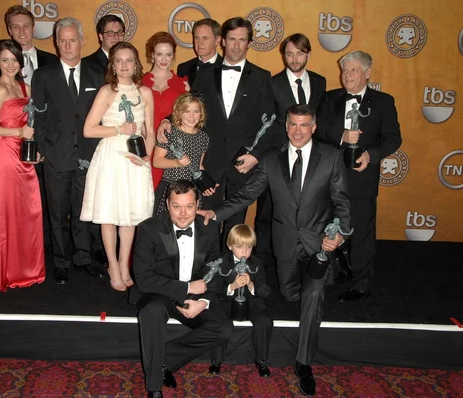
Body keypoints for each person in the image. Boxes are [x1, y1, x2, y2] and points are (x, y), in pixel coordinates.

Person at [198, 105, 351, 396]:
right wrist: (215, 214)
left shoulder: (331, 157)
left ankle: (304, 363)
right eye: (293, 124)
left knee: (313, 294)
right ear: (286, 125)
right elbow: (246, 195)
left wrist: (340, 235)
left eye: (304, 125)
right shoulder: (271, 159)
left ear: (314, 127)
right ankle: (310, 288)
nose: (297, 131)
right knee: (291, 292)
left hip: (319, 242)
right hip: (283, 244)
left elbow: (342, 202)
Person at [160, 17, 279, 245]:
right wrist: (167, 121)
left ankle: (232, 270)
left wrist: (255, 156)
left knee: (236, 221)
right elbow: (188, 106)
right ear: (223, 41)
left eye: (241, 40)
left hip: (242, 161)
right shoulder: (205, 73)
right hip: (209, 160)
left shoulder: (262, 76)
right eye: (231, 39)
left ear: (249, 43)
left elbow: (270, 120)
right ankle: (205, 268)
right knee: (205, 218)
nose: (236, 45)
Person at [132, 180, 234, 398]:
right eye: (176, 206)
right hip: (158, 292)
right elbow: (144, 279)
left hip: (195, 294)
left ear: (198, 204)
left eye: (189, 206)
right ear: (167, 204)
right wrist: (186, 287)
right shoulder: (148, 229)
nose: (182, 213)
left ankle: (160, 359)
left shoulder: (210, 227)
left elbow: (214, 268)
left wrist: (203, 301)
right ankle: (154, 386)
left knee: (224, 329)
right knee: (151, 311)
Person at [315, 50, 402, 302]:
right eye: (345, 70)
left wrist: (371, 155)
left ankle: (362, 282)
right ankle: (334, 273)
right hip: (330, 178)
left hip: (363, 179)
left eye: (354, 70)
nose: (347, 75)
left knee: (361, 231)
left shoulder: (384, 101)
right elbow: (318, 128)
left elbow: (393, 139)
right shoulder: (330, 98)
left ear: (368, 73)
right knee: (329, 226)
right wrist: (341, 135)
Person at [31, 18, 106, 285]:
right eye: (62, 40)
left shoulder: (97, 74)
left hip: (88, 156)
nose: (67, 45)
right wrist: (41, 148)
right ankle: (61, 262)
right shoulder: (43, 75)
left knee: (84, 211)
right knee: (58, 213)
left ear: (82, 41)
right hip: (56, 156)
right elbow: (37, 116)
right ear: (56, 42)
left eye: (72, 39)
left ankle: (83, 258)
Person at [81, 42, 155, 291]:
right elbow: (89, 129)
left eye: (129, 60)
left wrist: (146, 156)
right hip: (112, 156)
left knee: (130, 217)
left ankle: (125, 264)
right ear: (112, 64)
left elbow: (151, 131)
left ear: (136, 64)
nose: (124, 65)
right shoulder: (106, 92)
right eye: (119, 61)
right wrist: (118, 129)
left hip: (136, 158)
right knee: (110, 215)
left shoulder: (145, 93)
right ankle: (112, 265)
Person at [0, 5, 59, 251]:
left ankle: (33, 254)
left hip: (37, 144)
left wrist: (43, 142)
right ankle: (12, 259)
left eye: (25, 25)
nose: (21, 30)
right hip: (8, 149)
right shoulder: (0, 83)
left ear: (33, 27)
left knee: (35, 204)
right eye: (15, 26)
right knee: (10, 208)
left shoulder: (50, 61)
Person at [254, 33, 327, 267]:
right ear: (283, 55)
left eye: (299, 53)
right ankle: (261, 265)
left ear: (308, 53)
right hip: (277, 157)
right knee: (267, 210)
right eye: (289, 53)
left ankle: (305, 257)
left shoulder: (319, 81)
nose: (294, 59)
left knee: (307, 209)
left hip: (309, 156)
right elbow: (264, 123)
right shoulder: (272, 83)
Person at [0, 40, 45, 292]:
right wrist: (18, 130)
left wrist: (35, 147)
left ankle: (29, 270)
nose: (9, 64)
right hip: (5, 156)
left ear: (21, 62)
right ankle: (9, 273)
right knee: (8, 214)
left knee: (29, 212)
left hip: (24, 156)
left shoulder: (24, 87)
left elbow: (34, 124)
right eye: (4, 60)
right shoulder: (0, 90)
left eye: (14, 59)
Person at [208, 224, 273, 377]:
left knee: (264, 321)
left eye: (249, 247)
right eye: (239, 246)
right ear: (230, 246)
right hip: (226, 301)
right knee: (220, 321)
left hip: (250, 301)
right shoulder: (221, 262)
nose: (244, 251)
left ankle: (262, 359)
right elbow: (214, 289)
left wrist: (251, 284)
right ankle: (216, 359)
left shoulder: (256, 263)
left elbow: (265, 291)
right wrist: (232, 286)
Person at [142, 32, 190, 190]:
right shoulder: (139, 82)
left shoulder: (182, 84)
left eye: (168, 54)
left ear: (173, 55)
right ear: (152, 55)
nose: (164, 59)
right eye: (159, 54)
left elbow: (189, 119)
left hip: (172, 150)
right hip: (145, 145)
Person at [152, 92, 212, 214]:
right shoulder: (170, 132)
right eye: (187, 111)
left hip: (192, 190)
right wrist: (176, 162)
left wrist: (207, 184)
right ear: (178, 113)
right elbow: (157, 161)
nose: (192, 116)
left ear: (201, 114)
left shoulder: (204, 137)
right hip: (171, 187)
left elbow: (199, 166)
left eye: (196, 111)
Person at [177, 18, 223, 86]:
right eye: (197, 38)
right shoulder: (184, 68)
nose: (200, 43)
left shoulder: (227, 67)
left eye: (205, 38)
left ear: (217, 40)